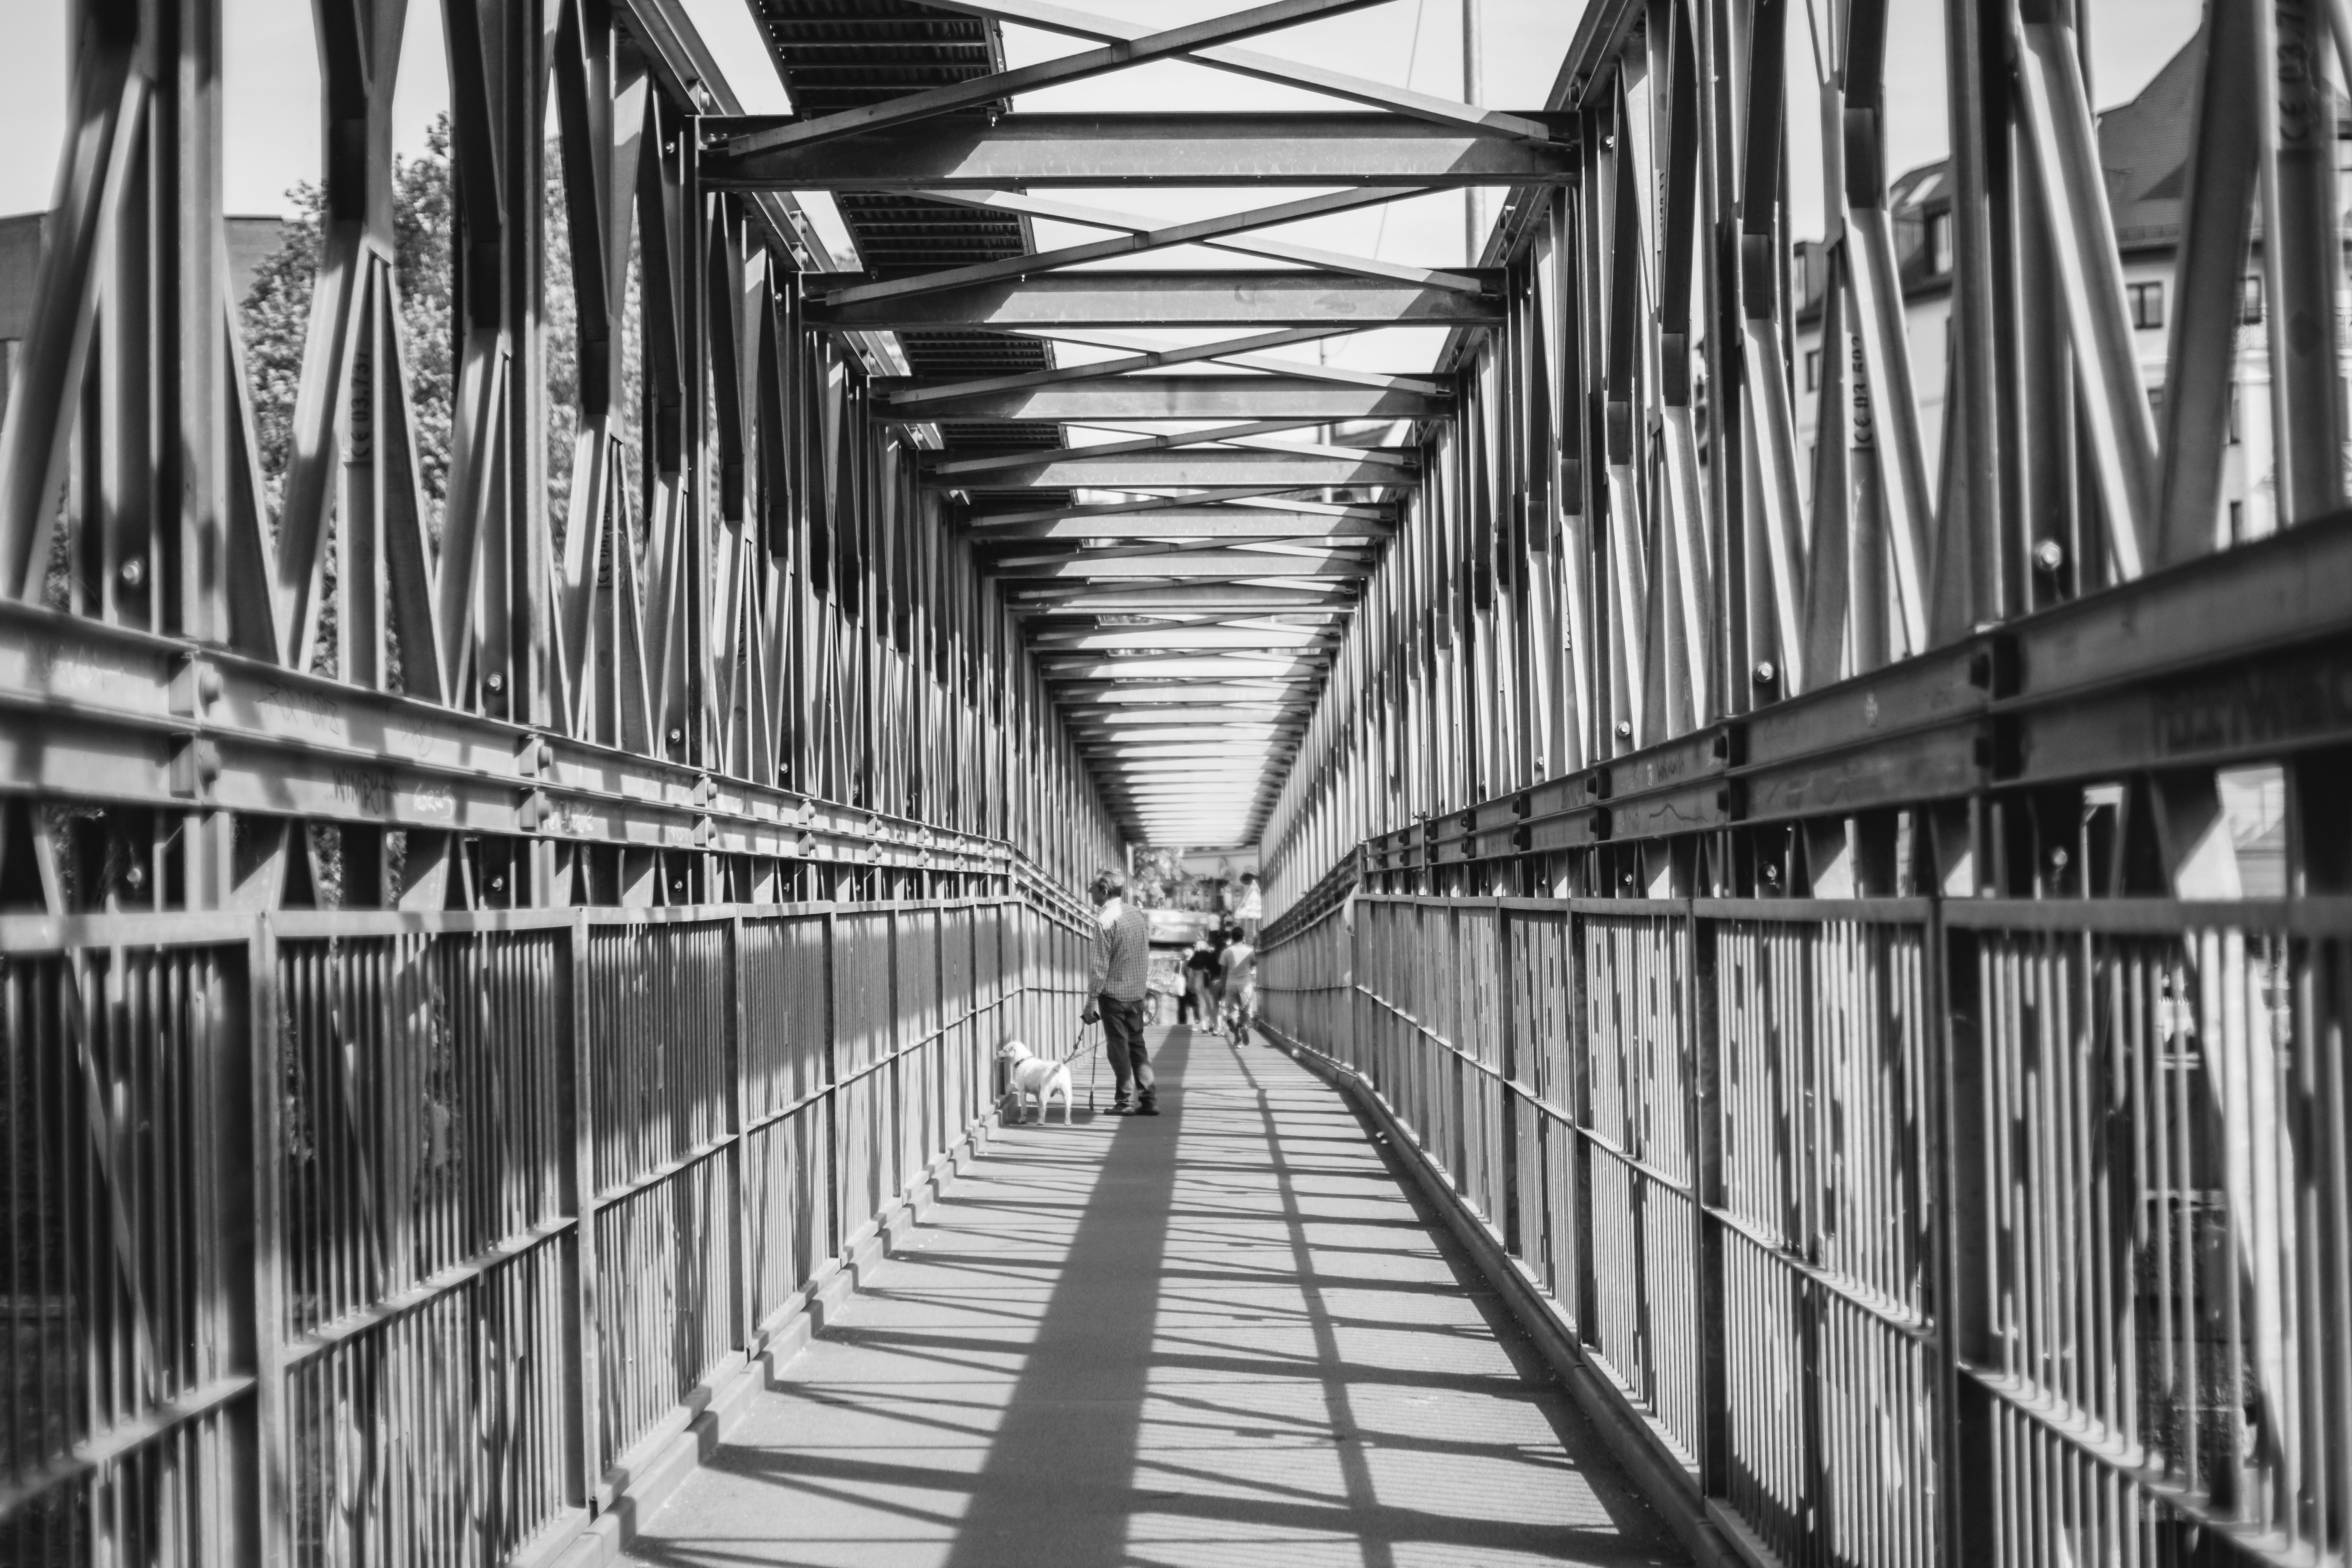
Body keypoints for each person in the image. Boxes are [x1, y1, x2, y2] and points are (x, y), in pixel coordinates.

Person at [1081, 868, 1157, 1115]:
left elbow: (1100, 968)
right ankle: (1149, 1100)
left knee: (1118, 1048)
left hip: (1113, 996)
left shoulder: (1104, 921)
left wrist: (1091, 1003)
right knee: (1137, 1045)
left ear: (1104, 891)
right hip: (1136, 994)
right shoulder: (1136, 914)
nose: (1089, 891)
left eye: (1092, 887)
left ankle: (1124, 1102)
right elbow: (1144, 953)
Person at [1216, 922, 1258, 1045]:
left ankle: (1237, 1037)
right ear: (1243, 937)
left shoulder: (1226, 952)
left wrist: (1223, 988)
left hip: (1231, 984)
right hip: (1246, 984)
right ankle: (1245, 1026)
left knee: (1233, 1013)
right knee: (1247, 1010)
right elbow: (1254, 963)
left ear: (1232, 938)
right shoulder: (1250, 950)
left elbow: (1223, 972)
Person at [1181, 936, 1219, 1027]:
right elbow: (1216, 970)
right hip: (1209, 983)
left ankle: (1204, 1026)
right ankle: (1212, 1024)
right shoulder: (1210, 957)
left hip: (1198, 984)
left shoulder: (1194, 959)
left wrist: (1190, 986)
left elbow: (1191, 975)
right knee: (1211, 1003)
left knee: (1202, 1004)